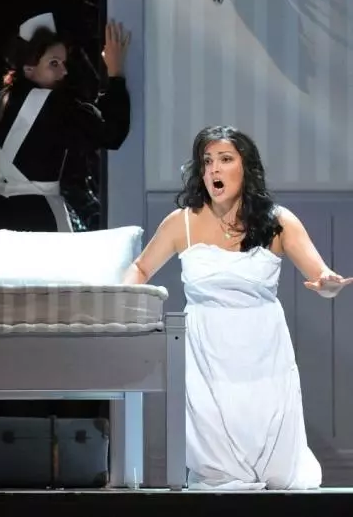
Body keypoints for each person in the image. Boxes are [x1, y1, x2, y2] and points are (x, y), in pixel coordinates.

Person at [122, 125, 352, 490]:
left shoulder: (279, 221)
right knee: (216, 466)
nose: (214, 169)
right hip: (205, 347)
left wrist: (329, 285)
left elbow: (321, 277)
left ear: (246, 167)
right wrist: (122, 301)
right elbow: (141, 267)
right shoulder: (182, 222)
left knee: (275, 461)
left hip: (263, 348)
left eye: (225, 159)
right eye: (207, 161)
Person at [0, 12, 131, 232]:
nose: (64, 71)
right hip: (41, 223)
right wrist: (116, 74)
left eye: (63, 63)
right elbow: (111, 133)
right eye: (54, 63)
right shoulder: (52, 104)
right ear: (29, 68)